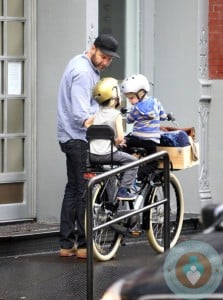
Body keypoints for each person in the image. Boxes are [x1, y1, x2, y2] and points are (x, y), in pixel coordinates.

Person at [57, 34, 120, 258]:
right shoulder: (84, 72)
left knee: (73, 189)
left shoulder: (81, 65)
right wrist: (108, 119)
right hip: (78, 138)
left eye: (109, 60)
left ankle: (67, 244)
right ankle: (84, 246)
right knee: (84, 191)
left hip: (69, 137)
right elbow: (81, 116)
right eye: (102, 56)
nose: (105, 62)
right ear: (92, 49)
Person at [88, 77, 138, 200]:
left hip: (92, 155)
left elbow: (87, 125)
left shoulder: (96, 114)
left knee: (109, 172)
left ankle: (110, 199)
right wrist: (113, 142)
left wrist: (100, 138)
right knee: (133, 162)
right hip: (107, 154)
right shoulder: (116, 115)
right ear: (115, 98)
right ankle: (123, 190)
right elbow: (120, 138)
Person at [120, 74, 170, 178]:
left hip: (135, 139)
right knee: (153, 163)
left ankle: (128, 173)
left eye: (131, 98)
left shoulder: (136, 108)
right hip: (151, 142)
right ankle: (139, 176)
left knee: (123, 148)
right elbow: (163, 116)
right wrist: (166, 117)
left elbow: (129, 120)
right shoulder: (156, 102)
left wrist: (129, 115)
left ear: (141, 93)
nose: (130, 101)